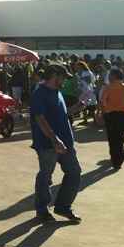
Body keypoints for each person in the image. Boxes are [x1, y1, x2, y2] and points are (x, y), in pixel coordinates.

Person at [30, 64, 83, 223]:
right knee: (46, 176)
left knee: (74, 173)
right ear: (54, 75)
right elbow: (39, 118)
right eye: (63, 77)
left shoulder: (57, 92)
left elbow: (61, 114)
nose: (65, 81)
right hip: (48, 144)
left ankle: (62, 207)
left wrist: (75, 109)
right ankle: (42, 210)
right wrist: (54, 139)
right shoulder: (39, 93)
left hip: (65, 143)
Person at [101, 69, 124, 170]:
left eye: (110, 75)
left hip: (111, 115)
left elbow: (103, 102)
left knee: (112, 138)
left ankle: (115, 160)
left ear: (114, 76)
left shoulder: (108, 87)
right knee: (120, 137)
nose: (109, 77)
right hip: (123, 115)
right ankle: (119, 159)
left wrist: (102, 113)